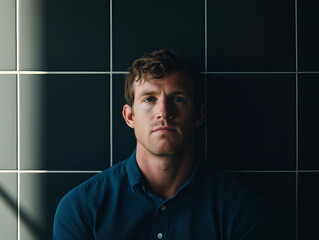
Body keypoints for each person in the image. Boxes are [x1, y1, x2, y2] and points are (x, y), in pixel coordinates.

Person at [53, 49, 282, 239]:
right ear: (129, 117)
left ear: (199, 115)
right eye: (149, 99)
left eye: (177, 99)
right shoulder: (82, 209)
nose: (164, 112)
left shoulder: (242, 211)